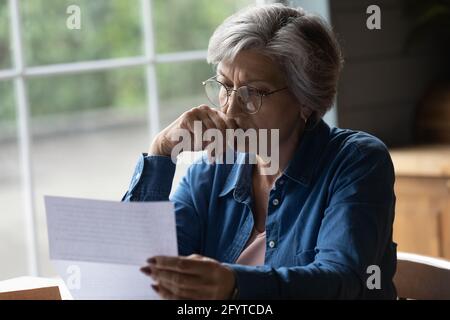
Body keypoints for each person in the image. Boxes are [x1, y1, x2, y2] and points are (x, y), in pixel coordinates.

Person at [123, 3, 397, 299]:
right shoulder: (211, 170)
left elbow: (341, 281)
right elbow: (132, 268)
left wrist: (235, 284)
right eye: (224, 85)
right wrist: (161, 153)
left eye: (253, 92)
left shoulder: (358, 161)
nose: (229, 108)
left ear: (306, 98)